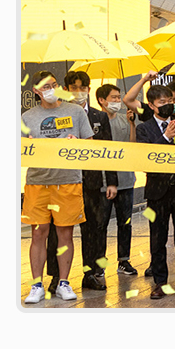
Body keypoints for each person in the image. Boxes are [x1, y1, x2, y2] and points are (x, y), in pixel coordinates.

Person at [21, 72, 93, 304]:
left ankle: (63, 282)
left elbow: (90, 145)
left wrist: (77, 144)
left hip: (68, 180)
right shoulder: (27, 117)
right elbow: (18, 149)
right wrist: (28, 146)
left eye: (53, 85)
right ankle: (36, 285)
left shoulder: (75, 112)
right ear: (35, 91)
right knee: (38, 232)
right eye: (45, 87)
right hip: (37, 181)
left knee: (65, 232)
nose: (50, 90)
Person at [137, 85, 175, 299]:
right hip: (157, 191)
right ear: (151, 105)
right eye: (162, 102)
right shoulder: (144, 129)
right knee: (157, 237)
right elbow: (146, 159)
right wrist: (165, 137)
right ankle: (160, 282)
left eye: (170, 101)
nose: (167, 105)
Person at [63, 70, 114, 292]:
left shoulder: (99, 117)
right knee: (60, 230)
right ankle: (57, 278)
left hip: (92, 182)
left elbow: (108, 151)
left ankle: (92, 272)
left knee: (94, 229)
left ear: (89, 90)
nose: (79, 92)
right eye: (74, 88)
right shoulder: (58, 116)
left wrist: (111, 181)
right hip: (64, 181)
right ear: (65, 90)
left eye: (82, 88)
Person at [95, 84, 138, 276]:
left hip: (126, 180)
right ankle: (99, 264)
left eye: (119, 97)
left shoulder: (124, 119)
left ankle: (124, 260)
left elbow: (133, 146)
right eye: (113, 97)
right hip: (103, 183)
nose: (117, 101)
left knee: (125, 222)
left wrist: (132, 124)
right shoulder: (95, 122)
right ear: (101, 100)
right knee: (100, 225)